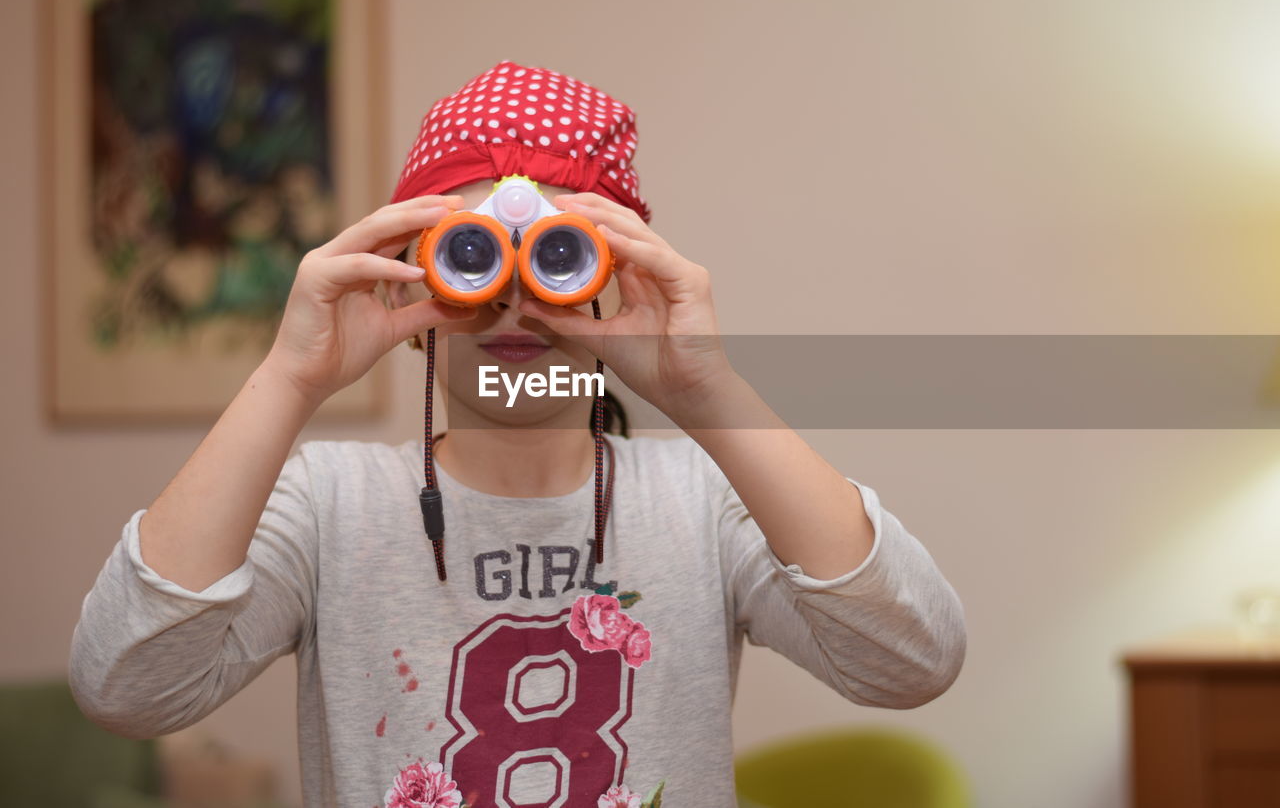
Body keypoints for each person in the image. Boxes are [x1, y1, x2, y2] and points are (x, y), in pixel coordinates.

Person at [69, 59, 966, 808]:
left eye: (559, 256)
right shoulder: (329, 505)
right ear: (413, 295)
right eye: (469, 254)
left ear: (615, 280)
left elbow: (912, 660)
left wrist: (710, 392)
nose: (514, 296)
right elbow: (125, 687)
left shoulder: (703, 498)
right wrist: (286, 378)